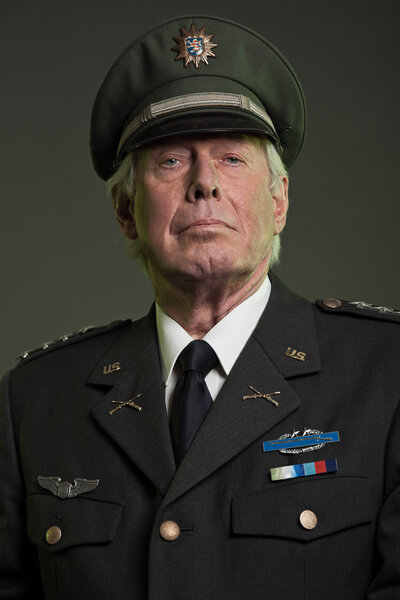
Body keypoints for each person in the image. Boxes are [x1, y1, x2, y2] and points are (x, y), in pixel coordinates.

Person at [0, 14, 399, 600]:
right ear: (125, 210)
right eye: (170, 161)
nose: (204, 183)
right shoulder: (35, 403)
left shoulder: (385, 376)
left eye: (233, 159)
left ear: (279, 199)